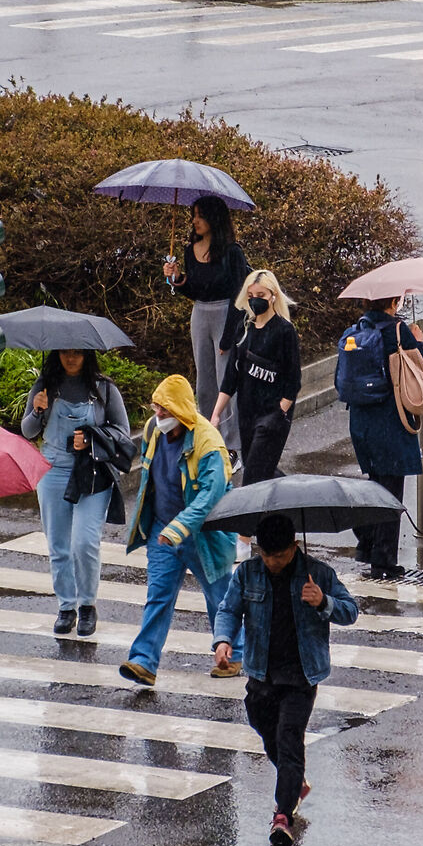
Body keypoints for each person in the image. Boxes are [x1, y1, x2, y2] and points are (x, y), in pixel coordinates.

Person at [211, 513, 359, 846]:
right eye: (266, 554)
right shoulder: (248, 572)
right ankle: (294, 782)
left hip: (301, 675)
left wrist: (324, 601)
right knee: (264, 727)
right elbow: (229, 610)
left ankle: (283, 816)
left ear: (294, 547)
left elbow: (351, 611)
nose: (271, 562)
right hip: (261, 672)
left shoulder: (318, 574)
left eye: (278, 555)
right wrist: (223, 639)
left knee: (289, 739)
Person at [121, 374, 238, 685]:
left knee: (220, 598)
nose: (158, 416)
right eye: (156, 408)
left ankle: (233, 653)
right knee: (158, 595)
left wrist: (177, 529)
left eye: (164, 411)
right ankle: (143, 660)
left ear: (182, 412)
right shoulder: (152, 431)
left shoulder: (209, 444)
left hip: (205, 537)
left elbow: (208, 499)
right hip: (163, 530)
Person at [22, 348, 134, 636]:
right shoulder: (44, 386)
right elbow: (28, 431)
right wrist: (37, 409)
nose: (70, 359)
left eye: (77, 353)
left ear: (87, 355)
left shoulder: (104, 388)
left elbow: (123, 431)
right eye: (65, 353)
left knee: (84, 543)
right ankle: (66, 606)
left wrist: (94, 437)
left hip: (92, 472)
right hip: (53, 470)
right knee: (58, 546)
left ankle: (87, 605)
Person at [339, 295, 423, 581]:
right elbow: (421, 367)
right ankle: (384, 560)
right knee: (390, 491)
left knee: (374, 486)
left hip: (361, 421)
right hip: (390, 418)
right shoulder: (397, 331)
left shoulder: (357, 329)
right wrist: (420, 341)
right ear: (393, 302)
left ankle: (367, 546)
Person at [161, 193, 249, 443]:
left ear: (214, 218)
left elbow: (239, 295)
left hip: (226, 314)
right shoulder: (190, 251)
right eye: (193, 216)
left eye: (201, 216)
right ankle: (210, 438)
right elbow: (195, 291)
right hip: (200, 314)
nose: (195, 221)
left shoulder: (232, 252)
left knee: (226, 381)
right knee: (205, 382)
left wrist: (228, 336)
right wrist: (176, 278)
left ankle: (233, 445)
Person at [213, 269, 302, 485]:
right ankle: (288, 497)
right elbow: (231, 377)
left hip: (272, 415)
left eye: (261, 296)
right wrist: (216, 414)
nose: (255, 301)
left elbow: (293, 379)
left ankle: (253, 517)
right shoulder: (244, 328)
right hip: (247, 414)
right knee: (263, 473)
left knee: (253, 477)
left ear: (273, 296)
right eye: (251, 296)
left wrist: (280, 410)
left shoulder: (284, 331)